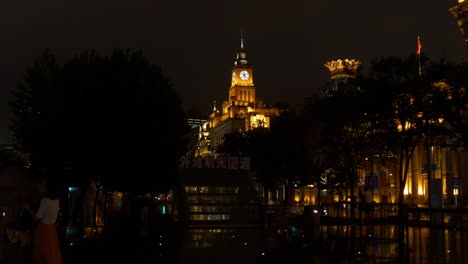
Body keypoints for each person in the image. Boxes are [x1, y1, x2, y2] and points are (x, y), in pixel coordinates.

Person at [26, 179, 62, 264]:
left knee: (42, 253)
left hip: (44, 229)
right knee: (51, 251)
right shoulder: (57, 200)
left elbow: (36, 218)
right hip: (52, 229)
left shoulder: (45, 200)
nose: (40, 185)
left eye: (42, 184)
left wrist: (28, 209)